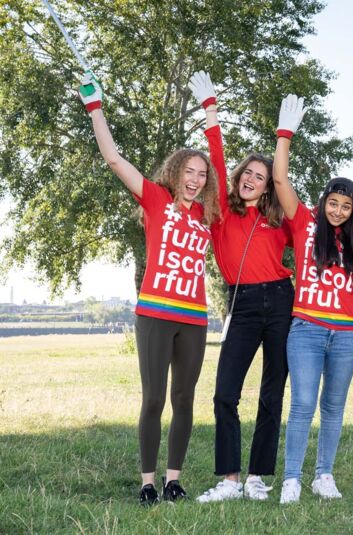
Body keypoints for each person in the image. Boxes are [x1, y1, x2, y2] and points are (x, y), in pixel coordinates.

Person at [78, 72, 219, 505]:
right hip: (155, 313)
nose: (195, 179)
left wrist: (211, 114)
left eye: (202, 174)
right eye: (189, 171)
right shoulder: (156, 198)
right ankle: (147, 483)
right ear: (175, 172)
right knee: (154, 398)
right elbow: (114, 160)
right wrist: (95, 108)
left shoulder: (207, 215)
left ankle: (174, 481)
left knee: (184, 398)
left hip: (194, 318)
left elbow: (222, 165)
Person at [184, 73, 294, 504]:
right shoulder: (220, 211)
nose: (251, 179)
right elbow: (215, 155)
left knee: (272, 392)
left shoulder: (278, 219)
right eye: (247, 172)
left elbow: (311, 234)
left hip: (281, 301)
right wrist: (210, 108)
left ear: (268, 186)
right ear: (239, 176)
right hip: (242, 304)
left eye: (260, 176)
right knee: (224, 393)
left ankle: (257, 477)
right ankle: (230, 480)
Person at [270, 95, 353, 504]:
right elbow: (279, 181)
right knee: (303, 404)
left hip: (348, 333)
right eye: (334, 202)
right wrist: (285, 135)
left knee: (333, 406)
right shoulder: (304, 222)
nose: (339, 211)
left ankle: (323, 474)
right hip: (307, 328)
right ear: (324, 200)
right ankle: (292, 478)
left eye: (346, 206)